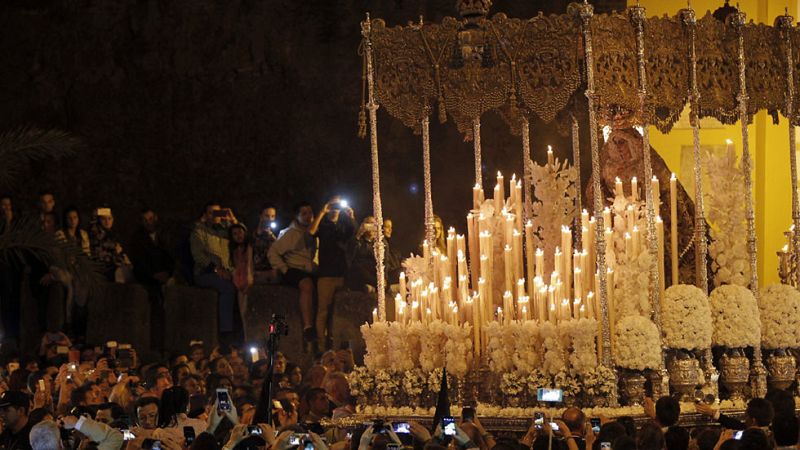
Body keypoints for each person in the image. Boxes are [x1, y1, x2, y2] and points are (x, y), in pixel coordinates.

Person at [268, 201, 317, 345]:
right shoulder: (290, 234)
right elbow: (273, 252)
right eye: (304, 214)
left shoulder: (314, 232)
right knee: (306, 285)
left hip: (310, 269)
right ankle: (308, 326)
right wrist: (284, 269)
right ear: (297, 216)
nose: (308, 217)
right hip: (294, 269)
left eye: (310, 213)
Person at [309, 197, 354, 350]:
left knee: (338, 310)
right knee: (323, 310)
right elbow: (310, 232)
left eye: (338, 205)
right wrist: (322, 212)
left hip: (342, 273)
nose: (335, 208)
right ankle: (321, 346)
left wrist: (351, 216)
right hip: (326, 274)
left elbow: (353, 238)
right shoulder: (323, 224)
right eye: (333, 204)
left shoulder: (343, 225)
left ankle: (336, 344)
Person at [190, 203, 240, 341]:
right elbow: (199, 256)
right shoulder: (199, 232)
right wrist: (216, 269)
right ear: (205, 215)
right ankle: (226, 332)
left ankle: (239, 330)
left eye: (218, 213)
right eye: (211, 213)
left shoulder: (225, 231)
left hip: (227, 271)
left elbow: (241, 235)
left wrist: (233, 219)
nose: (214, 216)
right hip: (205, 273)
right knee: (227, 288)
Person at [89, 207, 134, 283]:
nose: (107, 222)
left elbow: (119, 251)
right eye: (104, 219)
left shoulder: (113, 234)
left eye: (109, 219)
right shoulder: (97, 232)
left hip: (116, 267)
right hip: (104, 269)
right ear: (99, 220)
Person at [229, 223, 253, 340]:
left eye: (240, 232)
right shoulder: (234, 251)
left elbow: (249, 266)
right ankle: (246, 339)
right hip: (239, 284)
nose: (238, 236)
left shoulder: (250, 247)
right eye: (234, 234)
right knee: (242, 313)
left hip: (249, 282)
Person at [346, 216, 379, 293]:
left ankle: (374, 286)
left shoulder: (379, 241)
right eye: (369, 224)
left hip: (374, 270)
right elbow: (350, 253)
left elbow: (385, 260)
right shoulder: (359, 239)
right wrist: (359, 233)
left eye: (373, 224)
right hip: (361, 271)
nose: (371, 227)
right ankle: (378, 285)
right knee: (358, 268)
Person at [253, 204, 278, 283]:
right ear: (260, 216)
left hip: (269, 270)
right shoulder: (252, 234)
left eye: (273, 216)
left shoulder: (275, 235)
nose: (270, 219)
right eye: (267, 216)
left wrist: (271, 236)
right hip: (255, 269)